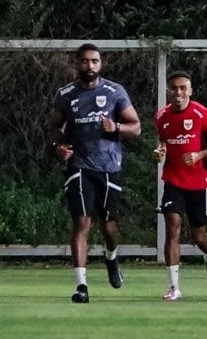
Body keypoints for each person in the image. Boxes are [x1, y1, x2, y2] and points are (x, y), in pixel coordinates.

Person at [46, 43, 141, 304]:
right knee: (81, 222)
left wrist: (116, 127)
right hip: (79, 166)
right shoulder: (65, 94)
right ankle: (81, 285)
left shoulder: (114, 91)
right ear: (77, 63)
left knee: (109, 227)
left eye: (95, 61)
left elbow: (136, 127)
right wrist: (59, 146)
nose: (90, 66)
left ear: (101, 64)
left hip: (109, 167)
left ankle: (111, 257)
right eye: (85, 61)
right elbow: (54, 127)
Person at [152, 70, 207, 300]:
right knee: (172, 227)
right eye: (174, 88)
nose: (178, 92)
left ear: (190, 90)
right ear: (168, 91)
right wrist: (160, 152)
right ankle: (174, 287)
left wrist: (199, 155)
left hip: (199, 181)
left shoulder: (202, 114)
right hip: (173, 180)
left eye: (183, 88)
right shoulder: (161, 116)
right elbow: (163, 142)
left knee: (199, 235)